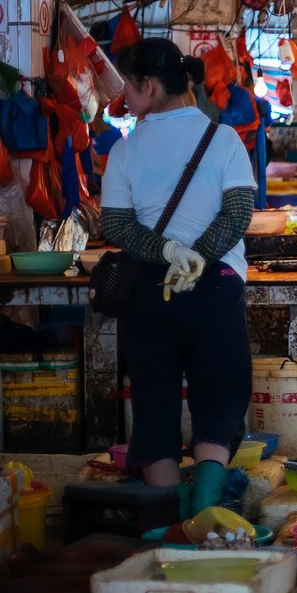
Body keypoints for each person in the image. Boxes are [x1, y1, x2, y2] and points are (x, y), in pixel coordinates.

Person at [99, 38, 254, 518]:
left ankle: (168, 519)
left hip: (150, 291)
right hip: (215, 287)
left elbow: (119, 226)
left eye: (128, 85)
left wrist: (167, 251)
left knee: (155, 400)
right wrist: (200, 257)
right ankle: (206, 512)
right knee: (220, 392)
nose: (125, 95)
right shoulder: (223, 139)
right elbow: (239, 212)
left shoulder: (125, 151)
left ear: (149, 85)